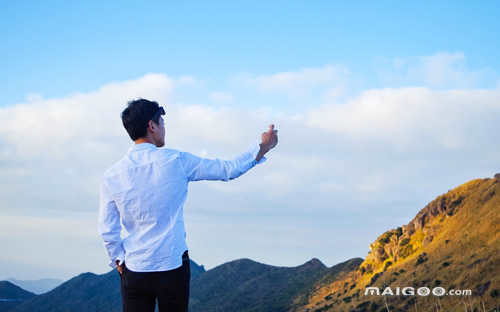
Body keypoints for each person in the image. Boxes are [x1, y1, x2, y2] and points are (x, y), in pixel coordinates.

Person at [98, 98, 278, 312]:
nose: (164, 128)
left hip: (135, 268)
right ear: (151, 126)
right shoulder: (176, 161)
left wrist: (118, 259)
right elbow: (227, 169)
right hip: (172, 266)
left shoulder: (112, 175)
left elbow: (107, 229)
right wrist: (263, 147)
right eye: (162, 122)